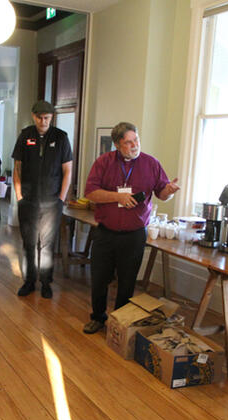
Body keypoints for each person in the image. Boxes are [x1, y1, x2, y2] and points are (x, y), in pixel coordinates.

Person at [82, 122, 179, 334]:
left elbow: (162, 192)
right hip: (106, 232)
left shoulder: (151, 163)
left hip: (134, 235)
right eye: (128, 142)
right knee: (99, 278)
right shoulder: (104, 162)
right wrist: (118, 197)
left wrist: (169, 191)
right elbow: (90, 192)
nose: (135, 145)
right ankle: (98, 317)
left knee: (127, 281)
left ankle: (119, 321)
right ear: (117, 145)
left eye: (136, 140)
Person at [12, 101, 72, 298]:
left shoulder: (61, 138)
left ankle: (46, 282)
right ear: (33, 116)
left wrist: (61, 199)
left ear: (52, 117)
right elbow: (17, 167)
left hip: (51, 201)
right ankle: (29, 281)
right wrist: (19, 195)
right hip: (28, 200)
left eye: (46, 117)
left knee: (46, 244)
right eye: (39, 117)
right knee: (29, 242)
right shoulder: (25, 135)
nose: (43, 121)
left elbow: (67, 171)